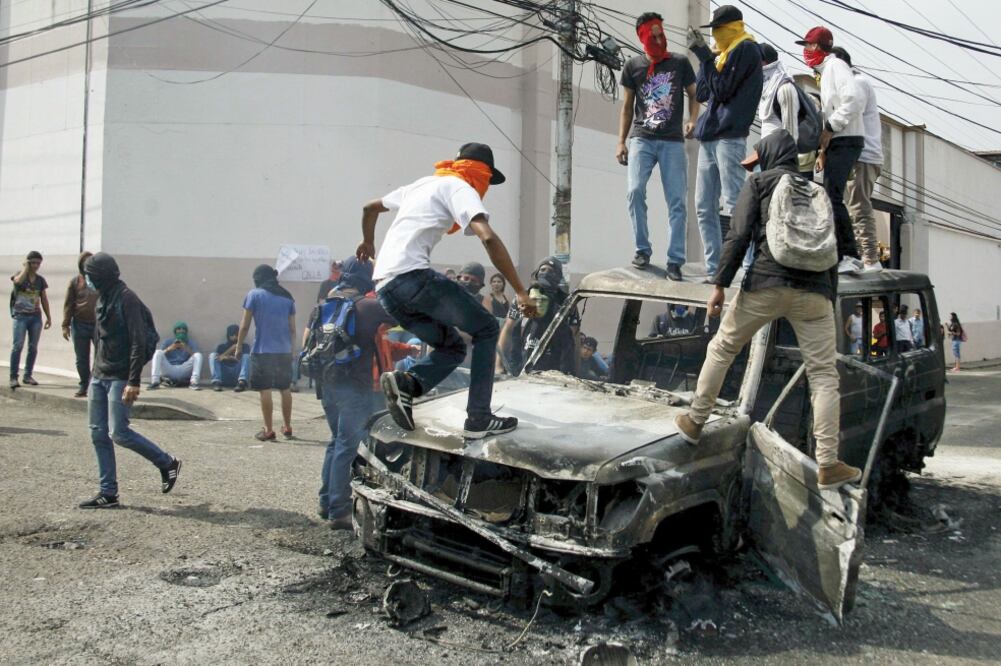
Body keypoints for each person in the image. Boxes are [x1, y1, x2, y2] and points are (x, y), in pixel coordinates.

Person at [673, 130, 861, 491]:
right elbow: (835, 247)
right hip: (815, 293)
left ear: (769, 156)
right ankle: (828, 464)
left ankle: (695, 422)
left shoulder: (759, 183)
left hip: (766, 283)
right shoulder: (818, 192)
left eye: (757, 161)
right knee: (824, 375)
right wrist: (829, 296)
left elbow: (738, 234)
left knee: (723, 348)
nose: (754, 168)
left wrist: (719, 285)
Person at [357, 142, 537, 440]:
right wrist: (520, 290)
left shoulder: (421, 185)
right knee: (487, 328)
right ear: (481, 173)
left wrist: (367, 241)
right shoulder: (460, 186)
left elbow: (369, 208)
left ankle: (408, 384)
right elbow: (488, 238)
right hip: (413, 278)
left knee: (452, 347)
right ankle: (479, 418)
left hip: (386, 289)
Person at [79, 252, 181, 509]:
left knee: (119, 433)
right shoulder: (103, 298)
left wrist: (133, 380)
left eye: (90, 276)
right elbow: (99, 339)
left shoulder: (127, 298)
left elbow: (138, 340)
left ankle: (167, 463)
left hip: (120, 376)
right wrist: (92, 374)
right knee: (97, 433)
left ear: (102, 275)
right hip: (99, 375)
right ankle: (108, 493)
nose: (88, 280)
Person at [313, 257, 396, 529]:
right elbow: (399, 317)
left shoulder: (326, 304)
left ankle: (326, 502)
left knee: (335, 441)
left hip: (326, 384)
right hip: (354, 386)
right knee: (347, 446)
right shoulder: (369, 306)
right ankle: (339, 511)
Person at [616, 12, 699, 281]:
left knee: (677, 201)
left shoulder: (680, 62)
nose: (659, 39)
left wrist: (692, 119)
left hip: (672, 141)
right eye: (652, 36)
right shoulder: (633, 66)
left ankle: (675, 260)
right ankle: (642, 249)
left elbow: (694, 94)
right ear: (642, 36)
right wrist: (621, 141)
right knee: (634, 191)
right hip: (642, 138)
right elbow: (627, 107)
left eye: (660, 34)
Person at [687, 5, 763, 279]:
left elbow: (721, 89)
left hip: (730, 136)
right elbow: (702, 93)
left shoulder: (746, 49)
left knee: (735, 204)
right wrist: (708, 59)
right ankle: (714, 269)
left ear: (732, 27)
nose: (715, 35)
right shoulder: (723, 54)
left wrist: (705, 57)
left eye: (718, 29)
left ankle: (748, 267)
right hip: (710, 136)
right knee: (703, 206)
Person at [796, 27, 866, 273]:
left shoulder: (836, 66)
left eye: (809, 46)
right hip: (840, 139)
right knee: (830, 195)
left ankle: (850, 255)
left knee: (832, 196)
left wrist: (830, 126)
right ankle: (840, 253)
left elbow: (854, 99)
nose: (806, 51)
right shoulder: (825, 71)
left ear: (819, 47)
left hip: (847, 138)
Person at [833, 47, 883, 272]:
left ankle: (871, 258)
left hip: (863, 155)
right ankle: (860, 255)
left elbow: (850, 113)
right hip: (855, 155)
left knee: (859, 206)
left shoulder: (858, 83)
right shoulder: (852, 84)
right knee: (850, 207)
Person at [235, 265, 296, 441]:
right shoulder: (288, 297)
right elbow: (292, 329)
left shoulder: (254, 295)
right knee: (285, 388)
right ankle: (287, 426)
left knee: (265, 389)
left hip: (262, 350)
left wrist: (239, 346)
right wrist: (293, 350)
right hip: (284, 351)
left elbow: (244, 325)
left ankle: (268, 430)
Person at [499, 256, 578, 376]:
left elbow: (573, 339)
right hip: (524, 366)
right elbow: (508, 329)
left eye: (551, 271)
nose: (546, 273)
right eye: (543, 269)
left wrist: (573, 374)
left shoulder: (567, 302)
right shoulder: (523, 297)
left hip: (553, 370)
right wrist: (499, 365)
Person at [9, 250, 51, 389]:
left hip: (35, 317)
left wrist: (48, 316)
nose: (35, 266)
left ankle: (28, 375)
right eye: (33, 263)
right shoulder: (20, 275)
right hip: (20, 316)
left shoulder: (40, 280)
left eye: (38, 263)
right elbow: (17, 282)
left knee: (33, 347)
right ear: (28, 263)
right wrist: (25, 268)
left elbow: (44, 298)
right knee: (18, 346)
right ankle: (13, 377)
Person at [62, 251, 98, 397]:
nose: (87, 264)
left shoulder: (99, 280)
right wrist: (65, 325)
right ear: (80, 264)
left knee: (100, 356)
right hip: (79, 324)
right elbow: (68, 304)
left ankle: (95, 385)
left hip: (97, 324)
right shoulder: (75, 282)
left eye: (90, 261)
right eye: (84, 262)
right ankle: (84, 384)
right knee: (82, 358)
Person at [149, 322, 204, 390]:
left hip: (184, 368)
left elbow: (196, 358)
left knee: (198, 355)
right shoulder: (167, 341)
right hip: (169, 368)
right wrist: (170, 348)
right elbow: (159, 356)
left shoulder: (191, 342)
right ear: (175, 331)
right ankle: (155, 382)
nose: (181, 330)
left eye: (183, 329)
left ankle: (194, 382)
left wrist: (186, 348)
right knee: (157, 352)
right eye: (179, 329)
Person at [209, 324, 250, 392]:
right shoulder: (221, 347)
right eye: (232, 334)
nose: (234, 337)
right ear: (228, 335)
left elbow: (242, 361)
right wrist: (231, 349)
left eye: (236, 335)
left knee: (246, 356)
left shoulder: (245, 346)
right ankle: (216, 382)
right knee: (213, 355)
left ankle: (242, 382)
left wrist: (227, 357)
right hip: (224, 375)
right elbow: (219, 358)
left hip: (237, 375)